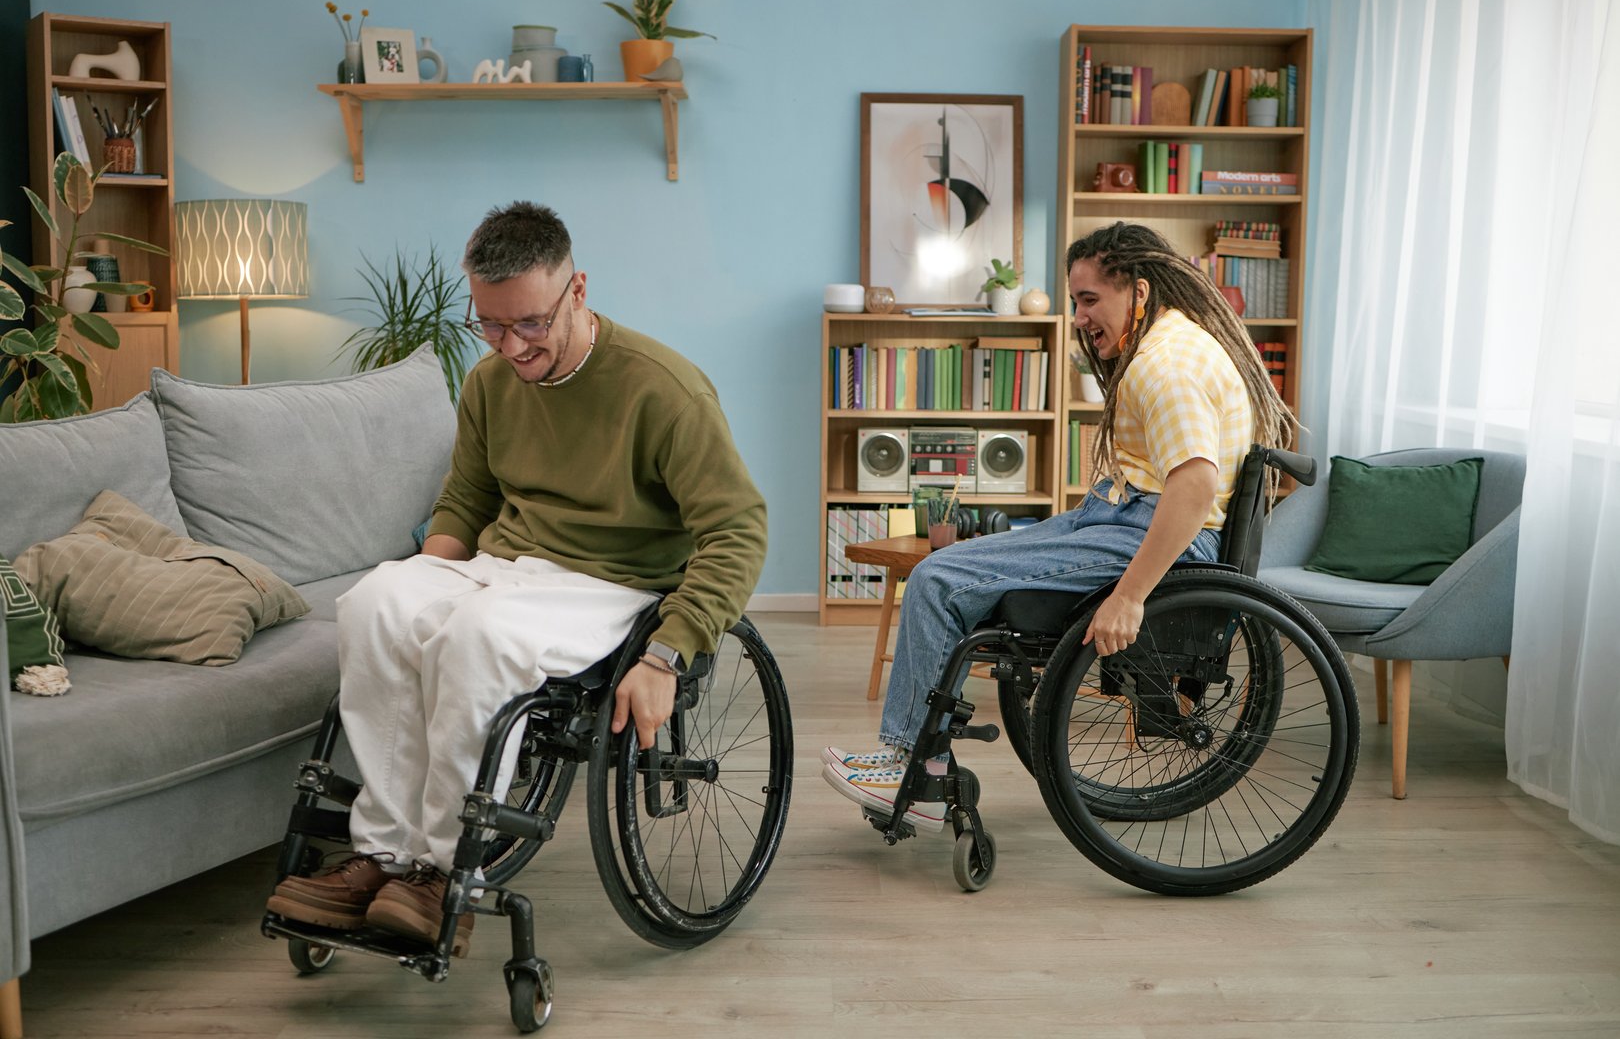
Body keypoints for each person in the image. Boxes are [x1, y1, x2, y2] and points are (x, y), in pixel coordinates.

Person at [267, 201, 767, 953]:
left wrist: (668, 654)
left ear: (578, 291)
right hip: (504, 567)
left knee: (477, 635)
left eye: (529, 323)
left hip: (612, 582)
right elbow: (466, 499)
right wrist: (417, 594)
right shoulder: (489, 383)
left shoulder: (664, 390)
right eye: (491, 325)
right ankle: (382, 855)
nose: (511, 345)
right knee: (374, 600)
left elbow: (737, 528)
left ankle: (440, 874)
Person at [822, 221, 1295, 830]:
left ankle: (916, 769)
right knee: (966, 562)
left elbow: (1195, 485)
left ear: (1140, 291)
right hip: (1121, 516)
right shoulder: (1169, 343)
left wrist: (1129, 598)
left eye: (1090, 299)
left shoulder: (1166, 364)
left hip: (1152, 534)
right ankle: (922, 759)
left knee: (939, 577)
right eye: (1075, 301)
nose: (1078, 316)